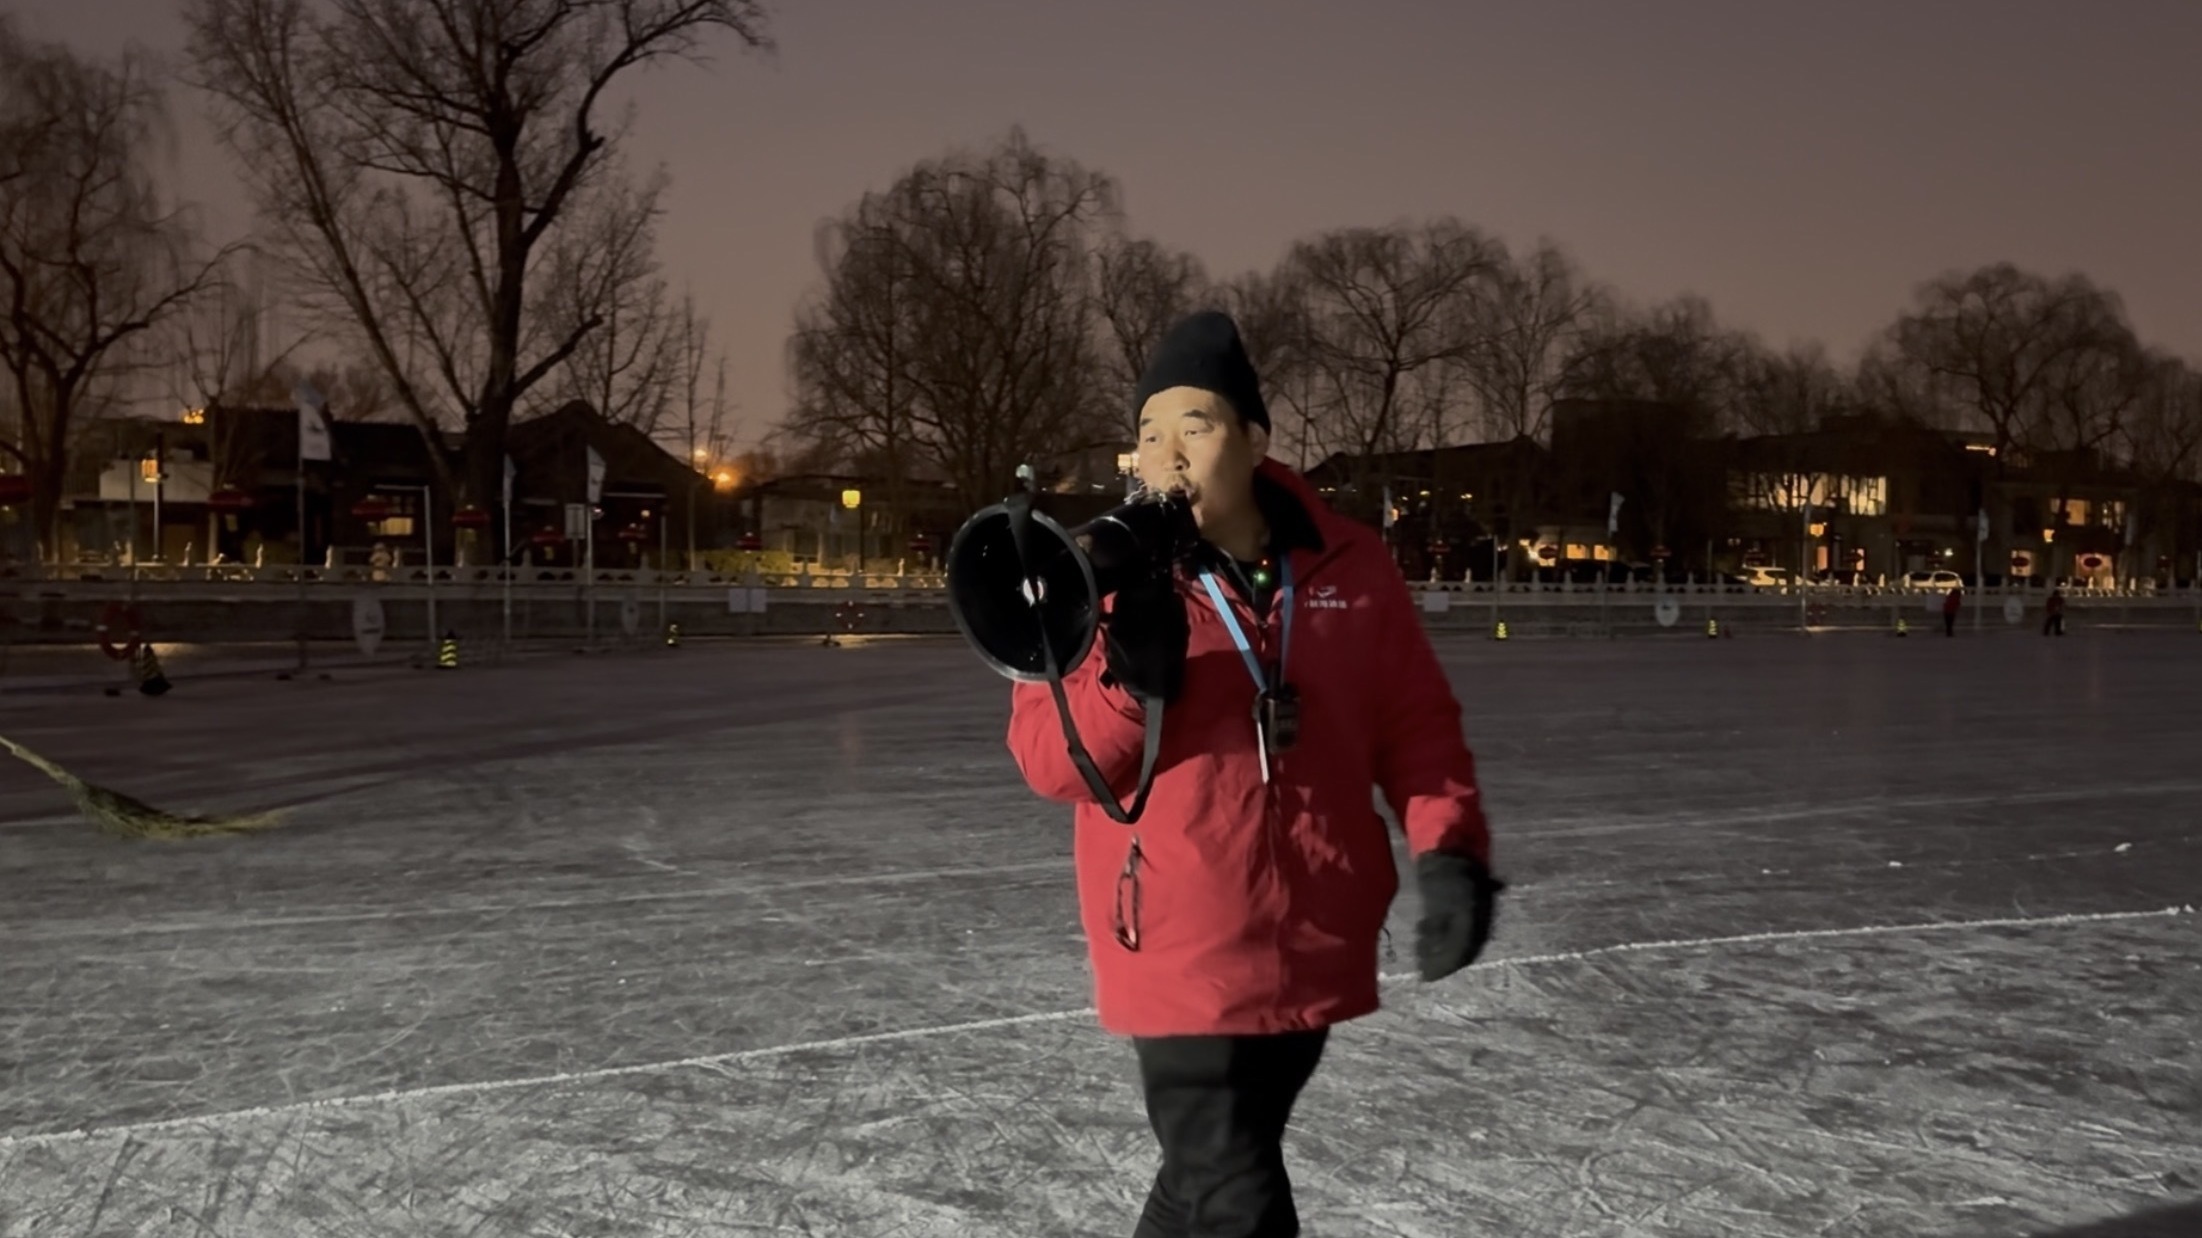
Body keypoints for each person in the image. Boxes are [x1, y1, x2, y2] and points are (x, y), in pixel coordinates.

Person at [1005, 310, 1504, 1238]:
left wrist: (1451, 853)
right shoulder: (1099, 579)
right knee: (1236, 1194)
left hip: (1314, 933)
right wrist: (1126, 677)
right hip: (1175, 938)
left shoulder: (1350, 563)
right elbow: (1050, 762)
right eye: (1149, 435)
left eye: (1193, 426)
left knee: (1202, 1181)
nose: (1167, 453)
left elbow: (1414, 726)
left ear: (1255, 439)